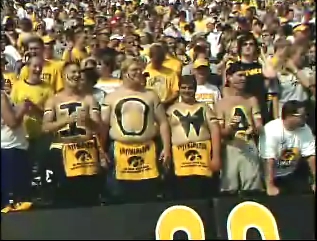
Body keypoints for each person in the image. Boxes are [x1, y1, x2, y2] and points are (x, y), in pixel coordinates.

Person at [101, 58, 171, 203]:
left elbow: (163, 122)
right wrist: (101, 150)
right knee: (119, 193)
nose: (139, 73)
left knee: (147, 192)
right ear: (124, 73)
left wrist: (166, 148)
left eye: (140, 70)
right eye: (134, 70)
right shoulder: (112, 97)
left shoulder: (151, 95)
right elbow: (103, 126)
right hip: (119, 150)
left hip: (147, 150)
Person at [41, 62, 103, 206]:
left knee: (87, 196)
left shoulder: (89, 99)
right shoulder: (53, 100)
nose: (76, 75)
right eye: (73, 72)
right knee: (64, 196)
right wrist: (65, 120)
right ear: (63, 75)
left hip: (85, 151)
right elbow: (45, 127)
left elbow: (98, 127)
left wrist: (87, 121)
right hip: (62, 150)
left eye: (78, 73)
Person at [166, 75, 221, 199]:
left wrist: (216, 156)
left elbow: (215, 130)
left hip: (202, 158)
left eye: (190, 88)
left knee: (204, 193)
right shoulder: (171, 110)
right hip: (179, 159)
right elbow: (165, 133)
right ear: (179, 89)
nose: (187, 91)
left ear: (195, 89)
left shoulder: (204, 108)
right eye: (184, 88)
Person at [215, 62, 264, 193]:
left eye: (245, 76)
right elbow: (220, 131)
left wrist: (256, 129)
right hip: (230, 147)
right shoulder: (221, 103)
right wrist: (231, 127)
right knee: (229, 187)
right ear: (229, 77)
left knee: (252, 186)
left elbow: (258, 123)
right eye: (240, 75)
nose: (243, 79)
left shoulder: (251, 99)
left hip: (249, 145)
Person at [259, 100, 315, 195]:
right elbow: (268, 160)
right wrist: (270, 186)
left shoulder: (305, 129)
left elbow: (311, 157)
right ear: (289, 116)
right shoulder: (271, 130)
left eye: (306, 115)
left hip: (290, 174)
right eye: (302, 116)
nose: (306, 118)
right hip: (267, 176)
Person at [1, 73, 31, 212]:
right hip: (10, 146)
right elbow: (12, 122)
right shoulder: (1, 96)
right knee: (12, 190)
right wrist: (23, 108)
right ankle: (11, 202)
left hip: (12, 144)